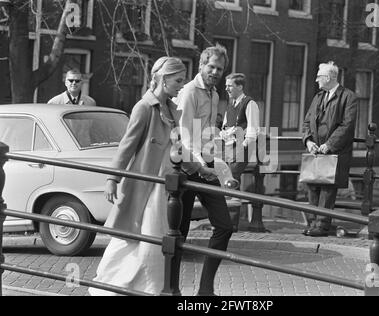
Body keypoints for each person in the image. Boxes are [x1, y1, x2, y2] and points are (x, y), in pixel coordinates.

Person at [88, 57, 186, 295]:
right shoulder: (144, 108)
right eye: (178, 80)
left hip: (166, 186)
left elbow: (176, 148)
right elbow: (127, 145)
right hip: (147, 186)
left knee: (156, 241)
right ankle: (111, 286)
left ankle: (148, 289)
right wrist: (112, 179)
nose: (181, 85)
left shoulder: (173, 110)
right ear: (163, 79)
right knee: (140, 240)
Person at [175, 44, 234, 296]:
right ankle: (171, 289)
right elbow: (184, 136)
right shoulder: (189, 92)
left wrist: (216, 163)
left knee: (224, 226)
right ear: (201, 66)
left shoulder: (215, 94)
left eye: (219, 69)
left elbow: (207, 135)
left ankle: (205, 290)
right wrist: (200, 165)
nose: (215, 72)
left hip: (206, 164)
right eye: (211, 66)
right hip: (187, 167)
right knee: (179, 232)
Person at [302, 61, 357, 237]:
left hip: (333, 152)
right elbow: (306, 122)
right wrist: (308, 141)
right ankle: (312, 224)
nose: (316, 80)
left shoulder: (348, 97)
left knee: (327, 190)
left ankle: (322, 226)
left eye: (319, 76)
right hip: (316, 151)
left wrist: (329, 145)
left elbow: (347, 125)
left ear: (329, 77)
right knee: (311, 186)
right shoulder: (318, 97)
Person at [221, 73, 260, 182]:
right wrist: (223, 133)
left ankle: (234, 198)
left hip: (243, 146)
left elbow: (253, 129)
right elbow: (225, 125)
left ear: (240, 87)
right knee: (223, 173)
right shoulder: (230, 104)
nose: (226, 89)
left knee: (233, 174)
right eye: (226, 86)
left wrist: (242, 147)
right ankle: (230, 198)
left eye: (229, 86)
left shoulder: (249, 103)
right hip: (229, 145)